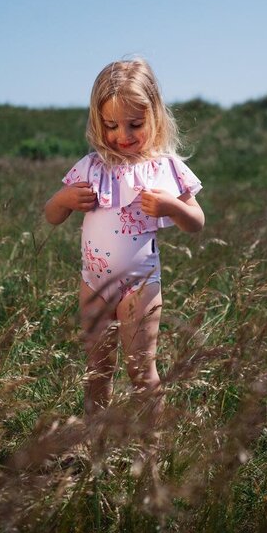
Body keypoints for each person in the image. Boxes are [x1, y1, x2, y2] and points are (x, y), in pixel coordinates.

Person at [44, 58, 205, 427]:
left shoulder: (166, 167)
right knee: (97, 370)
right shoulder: (91, 166)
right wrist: (64, 201)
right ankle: (95, 444)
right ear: (98, 122)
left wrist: (169, 205)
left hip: (140, 286)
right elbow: (51, 214)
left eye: (135, 124)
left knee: (140, 371)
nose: (123, 136)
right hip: (94, 284)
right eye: (112, 125)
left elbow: (196, 222)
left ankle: (151, 453)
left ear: (155, 116)